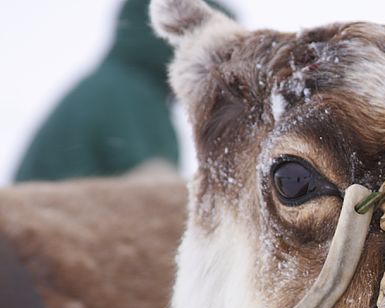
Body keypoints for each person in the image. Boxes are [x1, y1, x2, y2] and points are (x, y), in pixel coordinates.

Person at [14, 0, 230, 183]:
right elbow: (157, 192)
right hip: (48, 229)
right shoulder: (130, 95)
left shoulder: (111, 83)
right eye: (217, 50)